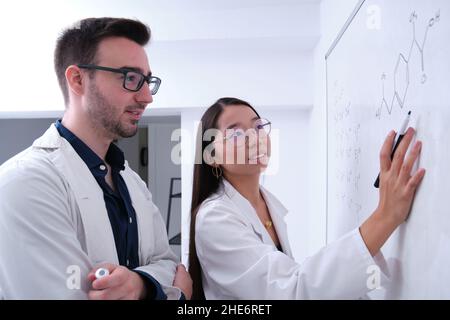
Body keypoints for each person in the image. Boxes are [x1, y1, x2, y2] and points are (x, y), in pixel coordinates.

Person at [0, 18, 192, 300]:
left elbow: (167, 263)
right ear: (78, 80)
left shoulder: (133, 183)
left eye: (147, 80)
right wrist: (176, 296)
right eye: (130, 78)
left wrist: (140, 284)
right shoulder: (26, 181)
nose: (147, 96)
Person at [188, 97, 426, 299]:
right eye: (236, 133)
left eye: (258, 127)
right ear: (211, 156)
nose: (254, 137)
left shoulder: (266, 204)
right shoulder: (214, 218)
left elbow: (292, 279)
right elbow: (291, 290)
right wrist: (385, 217)